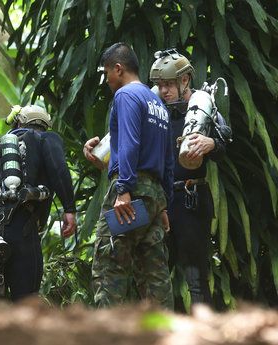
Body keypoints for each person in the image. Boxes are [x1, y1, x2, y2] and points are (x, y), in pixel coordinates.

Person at [84, 42, 174, 308]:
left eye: (107, 73)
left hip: (131, 192)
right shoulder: (157, 102)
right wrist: (164, 205)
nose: (107, 80)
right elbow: (167, 158)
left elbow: (131, 144)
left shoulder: (125, 96)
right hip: (154, 197)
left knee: (109, 268)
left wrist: (123, 189)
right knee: (154, 274)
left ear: (119, 69)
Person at [149, 49, 231, 306]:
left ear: (185, 80)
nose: (164, 91)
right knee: (154, 276)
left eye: (169, 84)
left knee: (195, 276)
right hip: (159, 201)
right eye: (160, 85)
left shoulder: (202, 106)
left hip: (190, 200)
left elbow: (226, 138)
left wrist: (211, 143)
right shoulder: (155, 108)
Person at [0, 104, 77, 301]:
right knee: (26, 300)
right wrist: (69, 209)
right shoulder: (46, 138)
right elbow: (59, 169)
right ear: (44, 124)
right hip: (21, 226)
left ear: (17, 122)